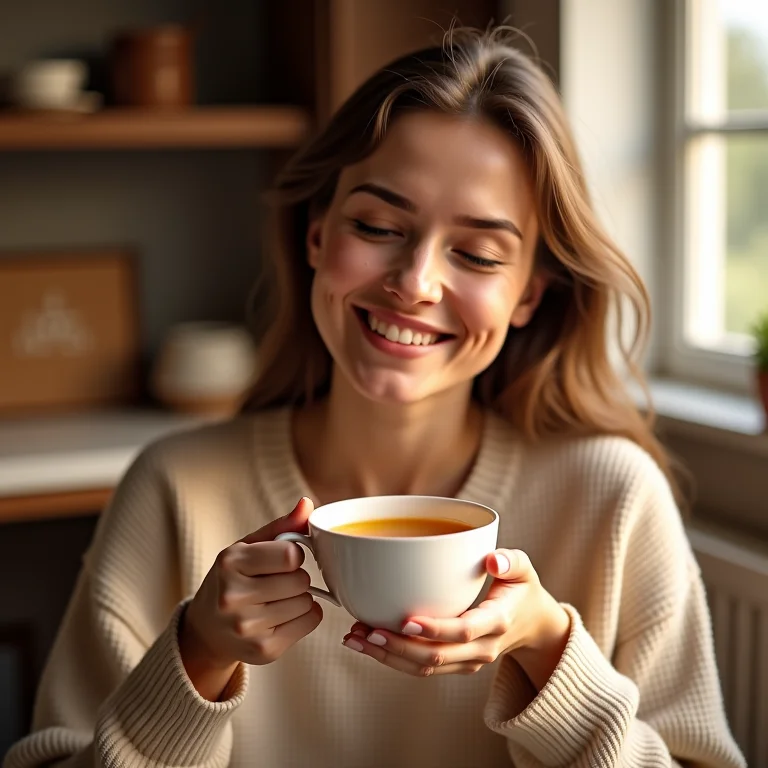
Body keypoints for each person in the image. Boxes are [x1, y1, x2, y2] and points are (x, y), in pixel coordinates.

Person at [4, 26, 746, 768]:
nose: (416, 283)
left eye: (478, 254)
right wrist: (197, 654)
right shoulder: (173, 489)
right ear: (317, 235)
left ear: (529, 295)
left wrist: (549, 650)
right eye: (378, 226)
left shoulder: (614, 499)